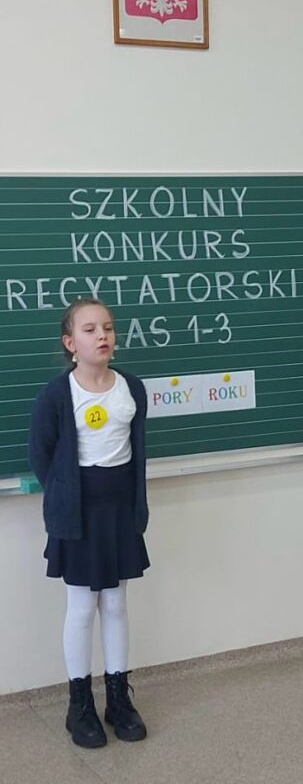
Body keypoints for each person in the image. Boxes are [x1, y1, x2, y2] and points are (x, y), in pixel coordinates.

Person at [29, 297, 150, 748]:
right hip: (78, 514)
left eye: (108, 328)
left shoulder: (131, 388)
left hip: (119, 510)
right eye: (90, 329)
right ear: (70, 343)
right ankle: (79, 705)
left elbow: (136, 449)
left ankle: (118, 700)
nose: (102, 336)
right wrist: (64, 496)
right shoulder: (58, 394)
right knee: (82, 608)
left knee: (115, 604)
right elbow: (41, 453)